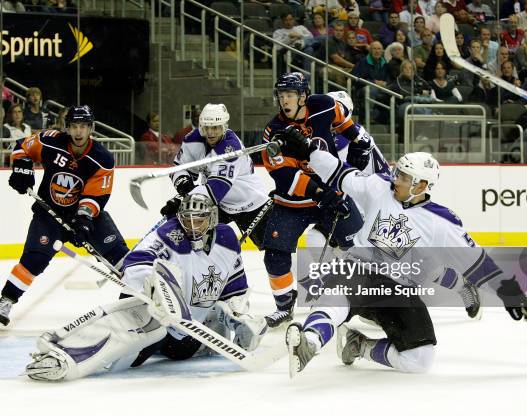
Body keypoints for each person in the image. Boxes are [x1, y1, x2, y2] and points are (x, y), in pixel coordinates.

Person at [277, 139, 527, 375]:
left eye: (403, 176)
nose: (395, 179)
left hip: (398, 287)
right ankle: (309, 341)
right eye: (397, 172)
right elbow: (340, 173)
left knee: (420, 358)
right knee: (336, 296)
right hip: (358, 271)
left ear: (421, 185)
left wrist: (510, 294)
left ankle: (359, 345)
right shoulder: (378, 186)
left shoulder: (441, 223)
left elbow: (477, 261)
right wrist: (309, 150)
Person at [24, 194, 267, 381]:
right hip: (157, 314)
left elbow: (235, 290)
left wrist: (241, 320)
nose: (192, 226)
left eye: (200, 220)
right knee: (134, 342)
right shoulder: (170, 233)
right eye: (187, 219)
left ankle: (214, 323)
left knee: (159, 334)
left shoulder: (226, 240)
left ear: (212, 219)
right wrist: (158, 292)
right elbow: (135, 263)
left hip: (187, 339)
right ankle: (67, 357)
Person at [0, 105, 130, 326]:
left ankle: (140, 297)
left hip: (86, 217)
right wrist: (22, 167)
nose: (78, 132)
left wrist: (84, 219)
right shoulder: (50, 140)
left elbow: (96, 195)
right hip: (49, 214)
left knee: (119, 256)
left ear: (91, 128)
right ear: (67, 128)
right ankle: (6, 300)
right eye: (74, 126)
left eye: (83, 127)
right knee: (35, 259)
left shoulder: (102, 158)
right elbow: (22, 147)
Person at [260, 72, 366, 327]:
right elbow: (285, 178)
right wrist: (322, 193)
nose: (284, 100)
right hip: (293, 202)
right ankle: (284, 306)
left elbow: (344, 121)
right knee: (275, 256)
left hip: (331, 194)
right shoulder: (274, 131)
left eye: (290, 95)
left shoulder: (324, 105)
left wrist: (358, 141)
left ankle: (367, 300)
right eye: (281, 95)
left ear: (303, 96)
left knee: (360, 244)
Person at [160, 103, 271, 252]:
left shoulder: (230, 148)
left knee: (275, 255)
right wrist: (184, 185)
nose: (211, 132)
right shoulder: (192, 140)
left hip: (251, 203)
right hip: (219, 206)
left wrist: (184, 198)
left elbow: (216, 190)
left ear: (224, 127)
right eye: (206, 127)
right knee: (192, 233)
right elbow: (179, 169)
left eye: (216, 127)